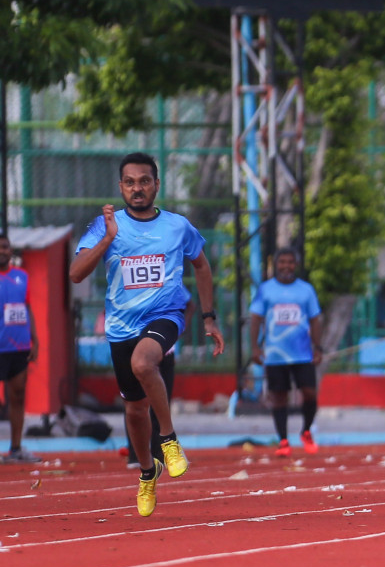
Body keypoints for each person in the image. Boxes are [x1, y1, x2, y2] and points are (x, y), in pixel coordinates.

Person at [68, 153, 225, 516]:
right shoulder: (105, 225)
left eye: (144, 181)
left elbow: (201, 265)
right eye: (130, 182)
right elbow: (76, 273)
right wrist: (108, 239)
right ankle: (146, 471)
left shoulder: (177, 226)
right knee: (135, 410)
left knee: (144, 362)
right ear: (121, 187)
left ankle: (169, 440)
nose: (137, 188)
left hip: (165, 314)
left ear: (157, 184)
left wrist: (208, 318)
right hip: (121, 325)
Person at [249, 247, 325, 457]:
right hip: (275, 355)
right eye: (282, 262)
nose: (286, 266)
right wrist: (255, 347)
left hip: (302, 354)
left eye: (290, 262)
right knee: (279, 396)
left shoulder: (306, 290)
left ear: (296, 265)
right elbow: (255, 319)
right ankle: (283, 440)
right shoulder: (265, 289)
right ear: (276, 265)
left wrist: (317, 347)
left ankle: (306, 431)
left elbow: (315, 319)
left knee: (309, 393)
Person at [0, 232, 39, 463]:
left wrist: (35, 339)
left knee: (18, 396)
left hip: (19, 347)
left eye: (5, 247)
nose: (2, 251)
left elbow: (27, 308)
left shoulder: (22, 276)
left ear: (10, 250)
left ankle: (15, 448)